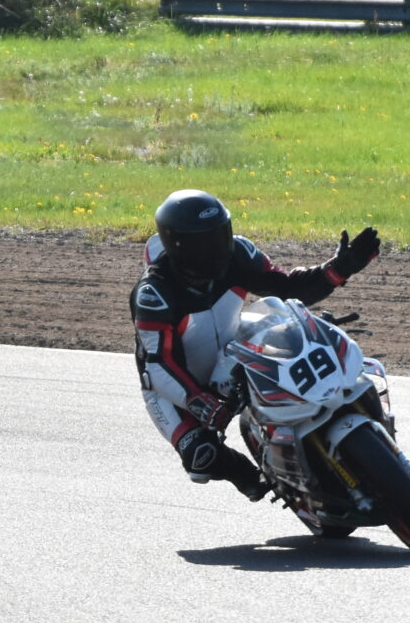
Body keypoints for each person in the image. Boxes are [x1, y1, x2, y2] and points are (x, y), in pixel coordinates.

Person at [132, 189, 381, 500]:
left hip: (231, 353)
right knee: (201, 457)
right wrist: (199, 402)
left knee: (303, 368)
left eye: (220, 235)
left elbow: (289, 289)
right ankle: (261, 478)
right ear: (177, 246)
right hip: (174, 383)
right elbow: (159, 364)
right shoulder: (154, 293)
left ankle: (337, 437)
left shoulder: (238, 254)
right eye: (203, 244)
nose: (217, 249)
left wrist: (339, 268)